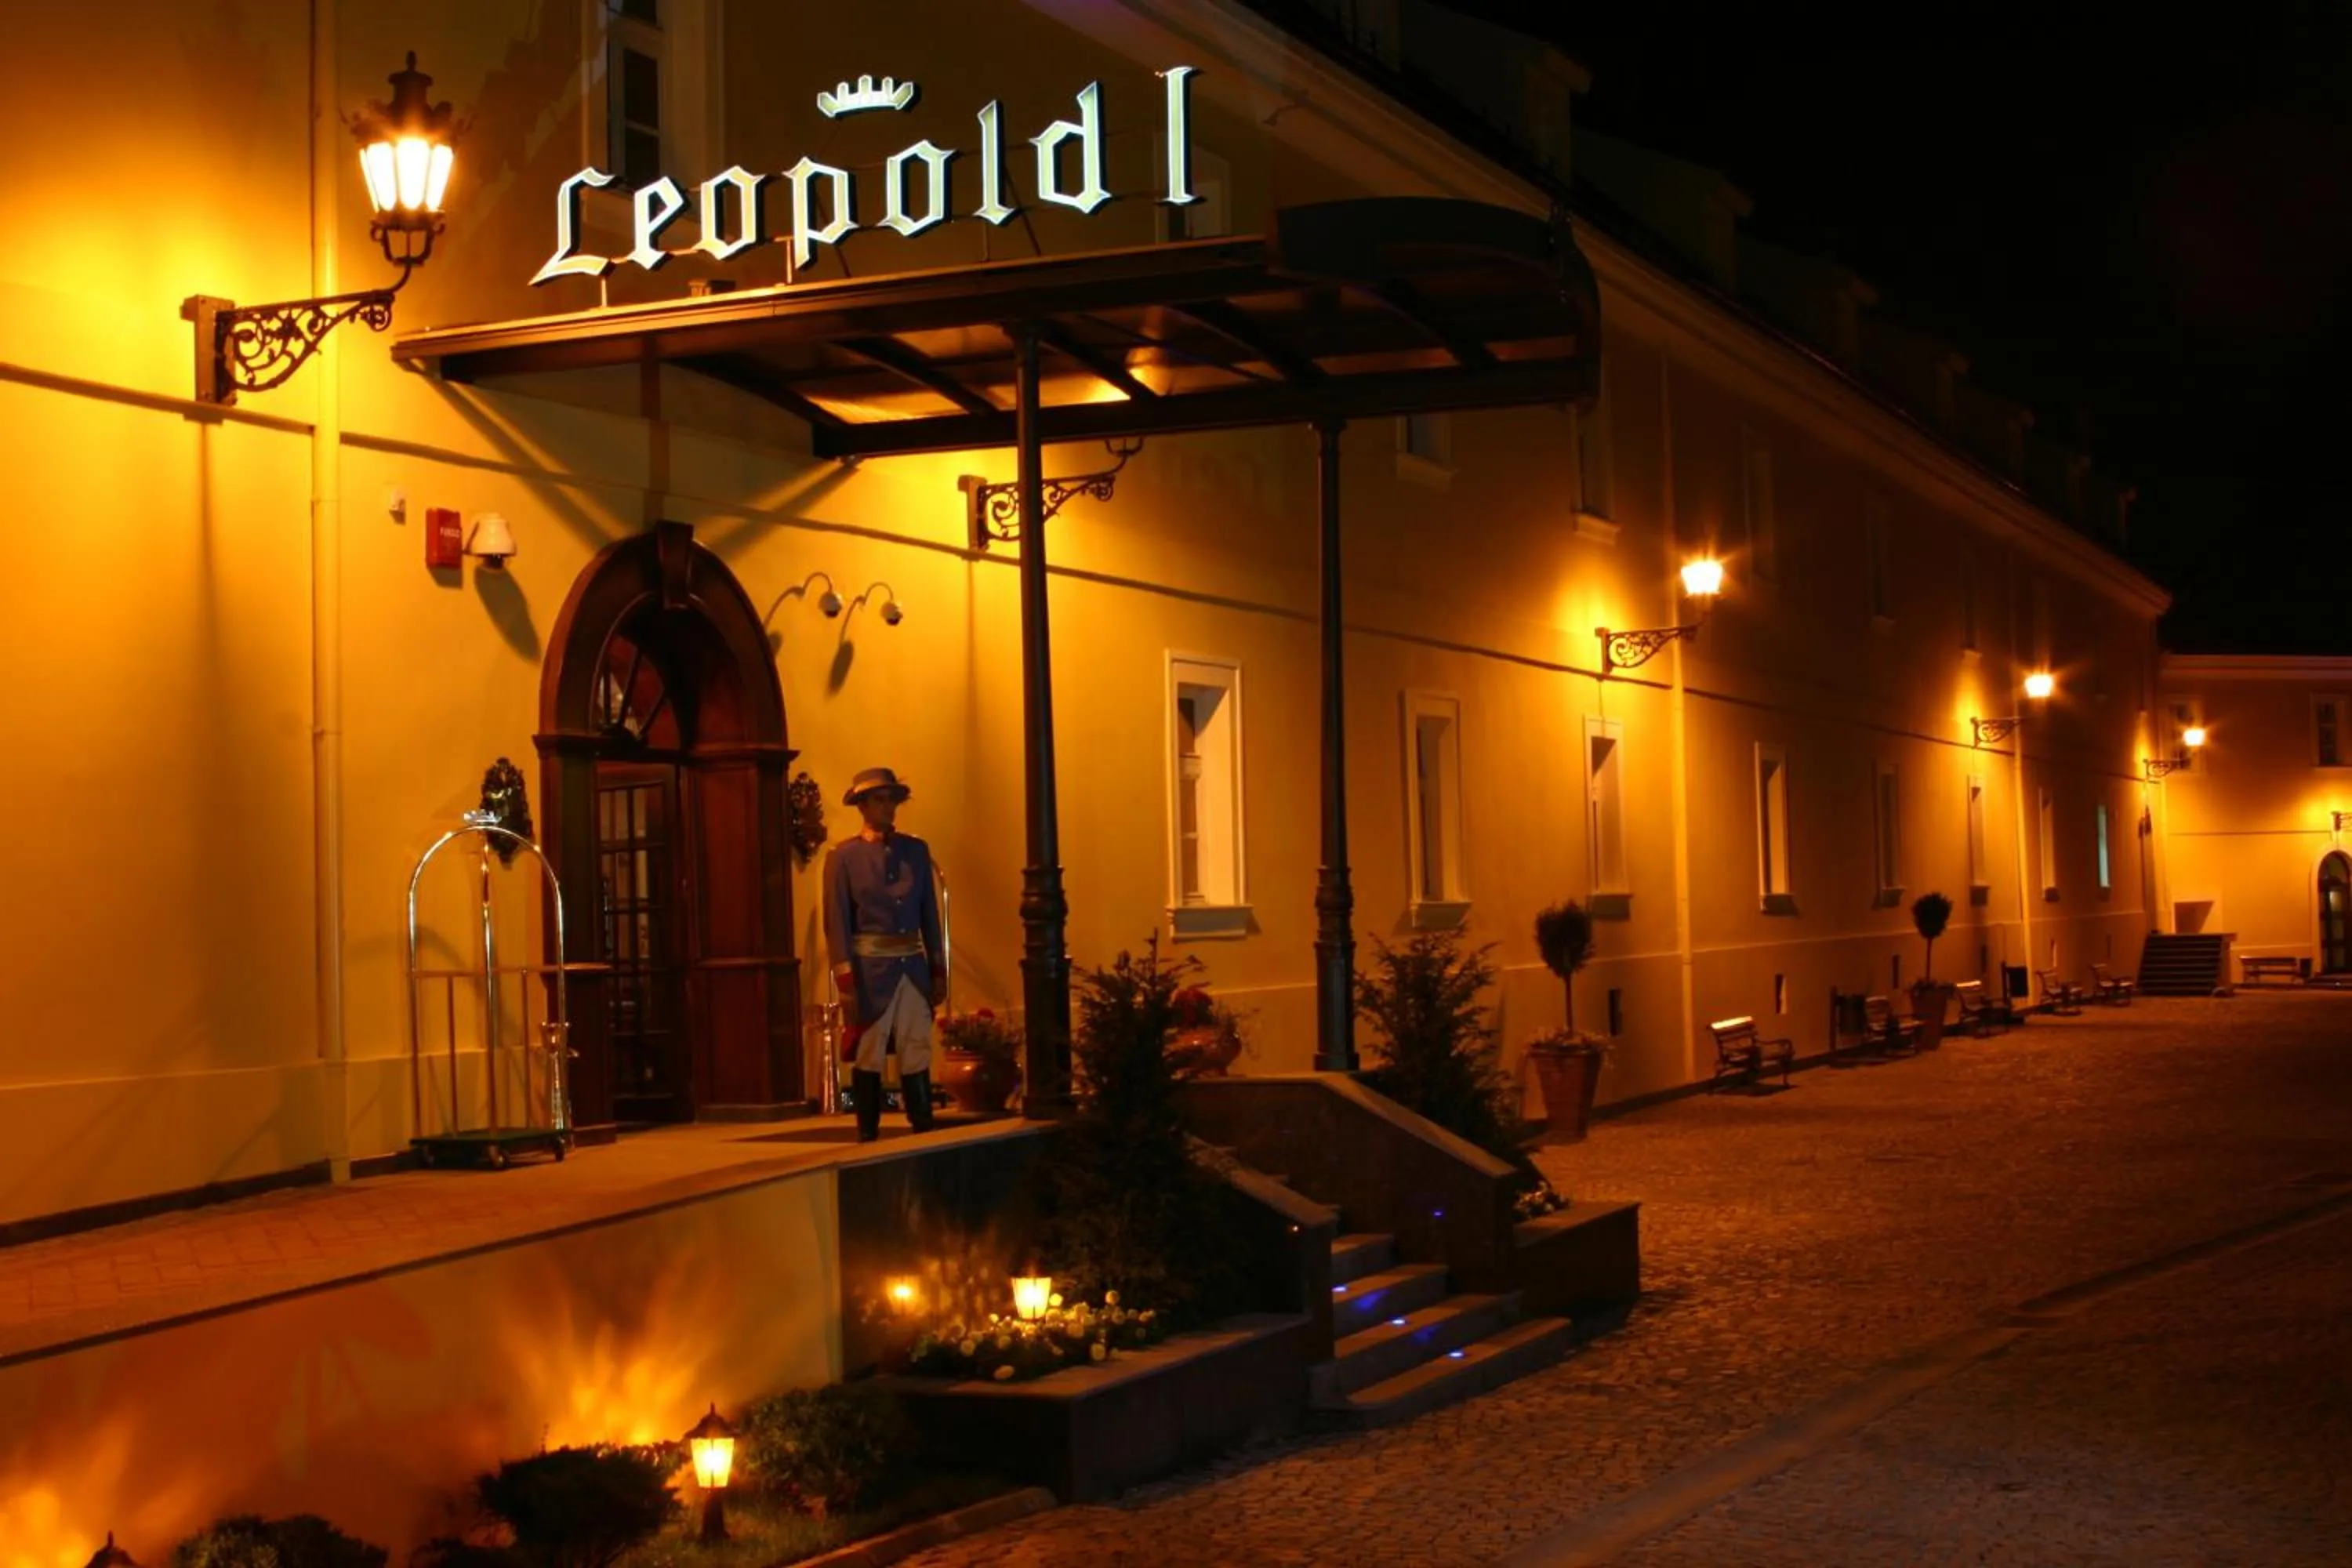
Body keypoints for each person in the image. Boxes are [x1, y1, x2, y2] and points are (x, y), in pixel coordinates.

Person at [822, 767, 946, 1141]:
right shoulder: (843, 857)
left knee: (917, 1044)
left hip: (913, 965)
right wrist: (845, 981)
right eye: (879, 799)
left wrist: (938, 969)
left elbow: (929, 914)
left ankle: (922, 1122)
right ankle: (868, 1129)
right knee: (870, 1049)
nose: (888, 806)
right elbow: (837, 922)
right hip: (871, 972)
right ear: (862, 805)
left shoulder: (916, 850)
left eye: (892, 799)